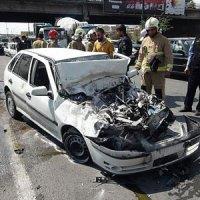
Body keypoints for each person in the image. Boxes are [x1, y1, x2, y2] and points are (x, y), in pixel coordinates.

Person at [135, 17, 173, 99]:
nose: (150, 31)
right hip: (146, 72)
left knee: (159, 93)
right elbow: (141, 54)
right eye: (149, 30)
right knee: (144, 93)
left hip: (158, 72)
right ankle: (145, 109)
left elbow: (169, 56)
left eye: (153, 29)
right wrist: (137, 66)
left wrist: (169, 69)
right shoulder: (145, 40)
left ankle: (160, 109)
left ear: (157, 29)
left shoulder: (164, 40)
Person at [180, 37, 200, 115]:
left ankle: (199, 109)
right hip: (194, 68)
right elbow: (191, 53)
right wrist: (187, 66)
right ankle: (187, 106)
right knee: (190, 89)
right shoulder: (196, 40)